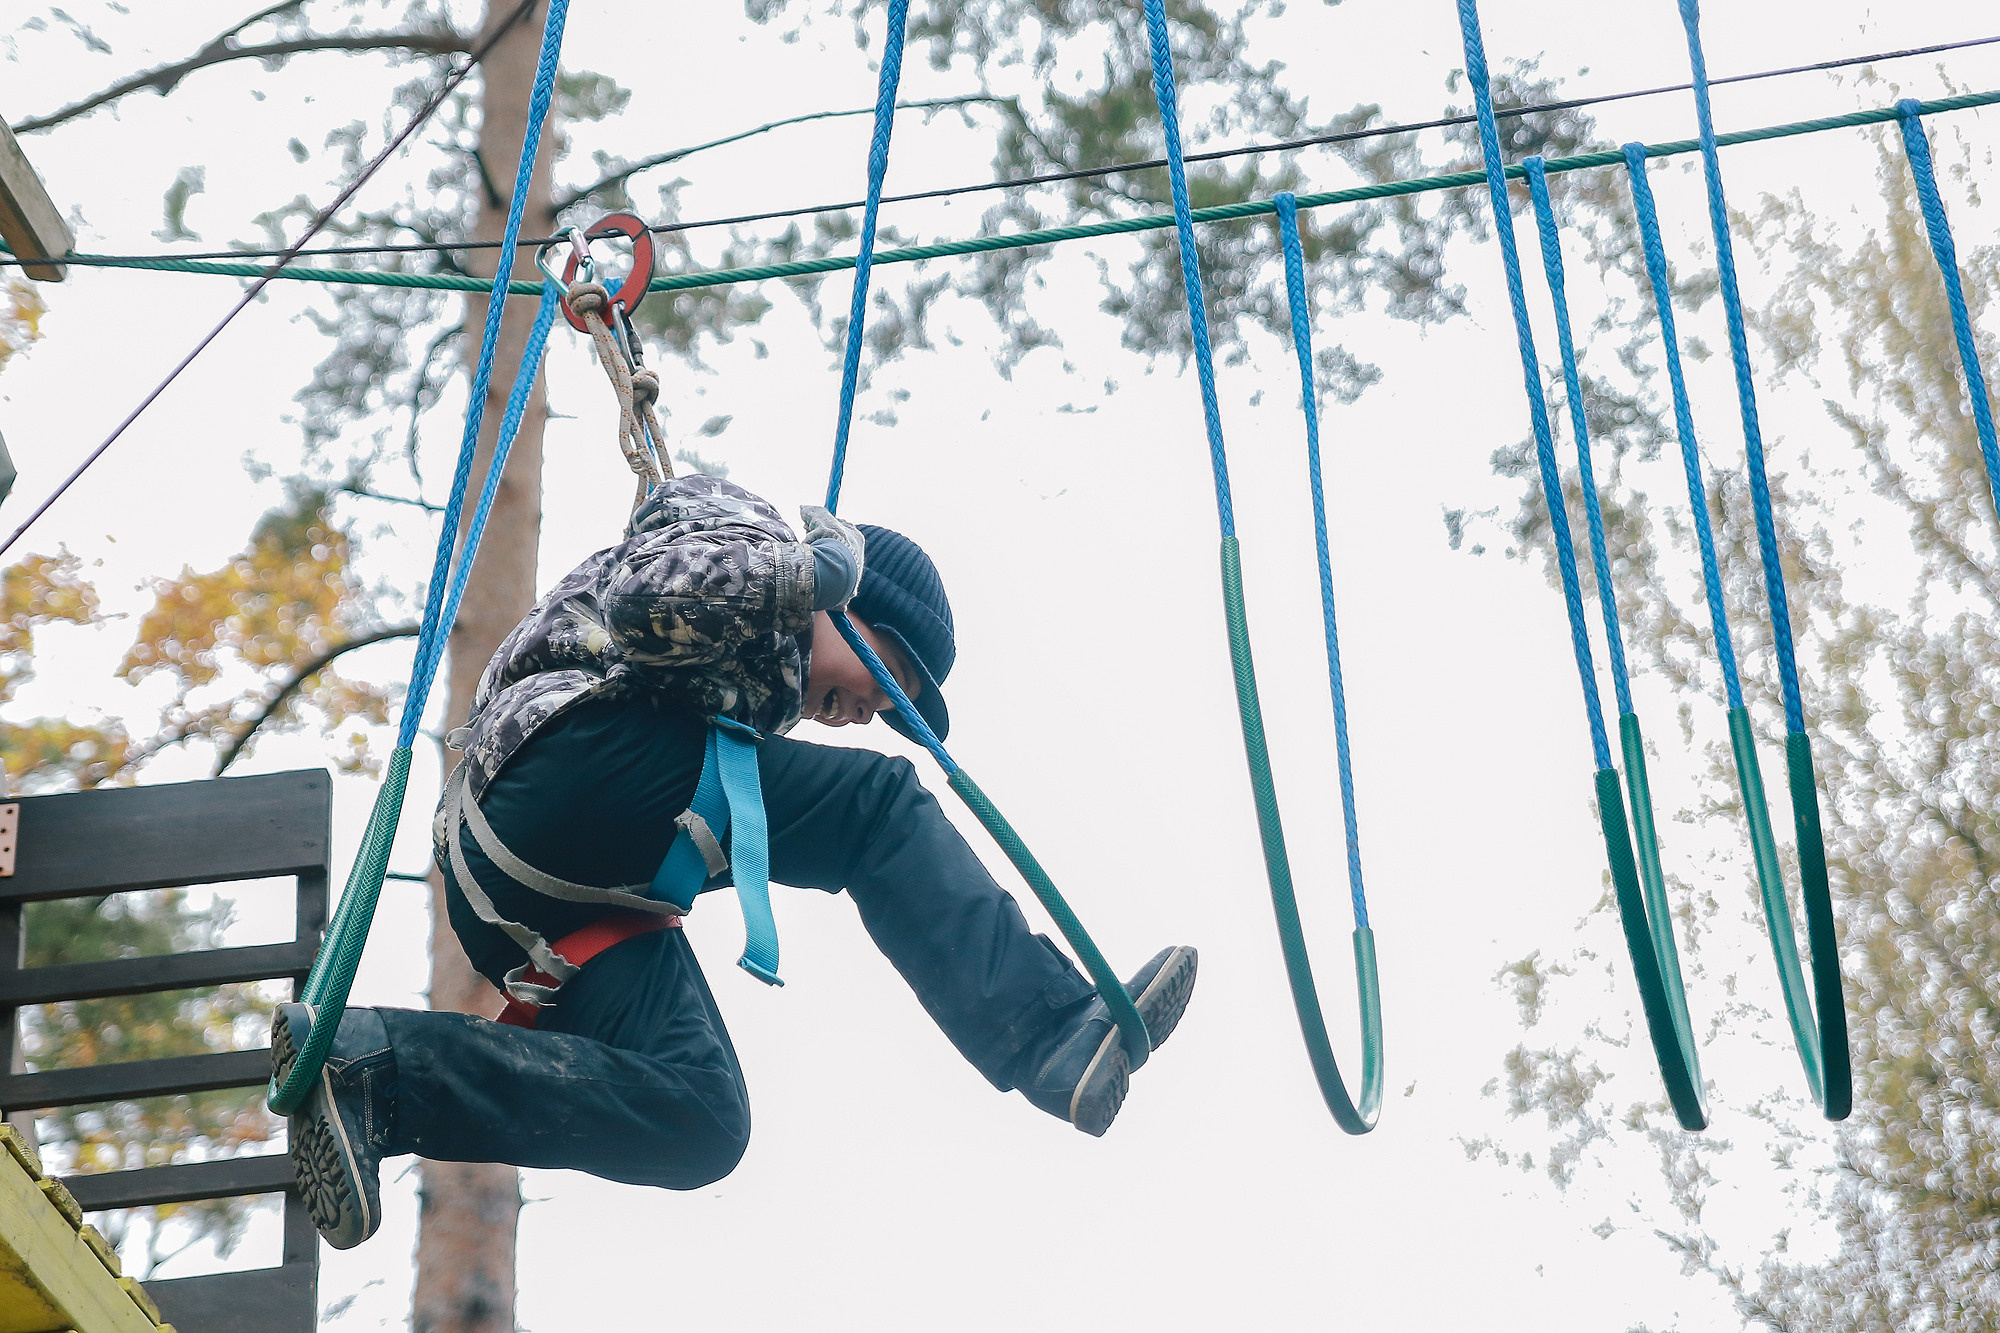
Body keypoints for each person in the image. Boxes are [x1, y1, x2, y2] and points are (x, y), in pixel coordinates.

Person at [272, 472, 1199, 1250]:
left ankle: (382, 1071)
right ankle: (1048, 1032)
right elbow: (639, 603)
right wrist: (804, 573)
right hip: (558, 766)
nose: (876, 710)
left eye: (897, 705)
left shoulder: (756, 687)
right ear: (848, 605)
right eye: (891, 675)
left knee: (704, 1117)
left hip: (539, 894)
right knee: (877, 807)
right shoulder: (748, 538)